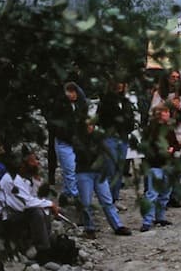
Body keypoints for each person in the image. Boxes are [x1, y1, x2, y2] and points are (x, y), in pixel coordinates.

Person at [0, 150, 59, 261]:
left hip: (12, 215)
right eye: (33, 161)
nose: (37, 163)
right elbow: (26, 203)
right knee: (36, 212)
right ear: (22, 165)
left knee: (42, 207)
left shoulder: (24, 179)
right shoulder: (11, 180)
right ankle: (43, 251)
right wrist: (51, 204)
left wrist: (37, 181)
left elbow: (35, 198)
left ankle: (45, 242)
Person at [74, 121, 132, 239]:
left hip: (98, 172)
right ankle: (89, 228)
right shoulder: (78, 139)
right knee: (86, 202)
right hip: (84, 172)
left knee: (107, 200)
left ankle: (117, 225)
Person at [140, 104, 181, 231]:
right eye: (166, 112)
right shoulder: (150, 130)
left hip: (167, 165)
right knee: (152, 193)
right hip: (155, 165)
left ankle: (160, 216)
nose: (168, 114)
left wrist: (172, 149)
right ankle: (147, 220)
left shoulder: (168, 128)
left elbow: (175, 143)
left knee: (165, 193)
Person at [97, 79, 135, 210]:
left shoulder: (126, 102)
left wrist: (127, 127)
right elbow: (101, 119)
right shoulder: (105, 102)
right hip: (110, 137)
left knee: (119, 170)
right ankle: (107, 201)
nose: (119, 85)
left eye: (122, 83)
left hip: (123, 137)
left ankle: (115, 198)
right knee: (109, 169)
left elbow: (131, 119)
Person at [48, 82, 88, 206]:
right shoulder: (60, 105)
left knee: (70, 170)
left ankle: (65, 196)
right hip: (64, 142)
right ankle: (77, 198)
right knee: (70, 169)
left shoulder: (80, 105)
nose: (72, 95)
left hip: (75, 142)